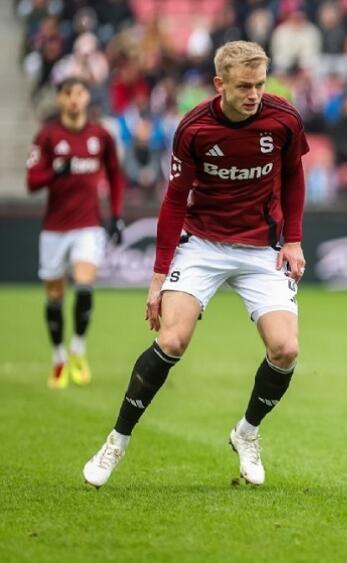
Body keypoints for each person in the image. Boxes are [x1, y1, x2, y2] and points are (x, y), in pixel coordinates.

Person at [81, 41, 309, 488]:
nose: (254, 95)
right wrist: (157, 279)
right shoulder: (195, 128)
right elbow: (173, 201)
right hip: (202, 244)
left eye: (260, 85)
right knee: (172, 339)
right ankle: (116, 441)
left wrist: (295, 239)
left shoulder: (283, 118)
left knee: (286, 349)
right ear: (219, 83)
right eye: (244, 86)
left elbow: (293, 176)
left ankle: (247, 433)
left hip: (261, 248)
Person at [26, 77, 125, 390]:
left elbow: (115, 175)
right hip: (55, 228)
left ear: (86, 98)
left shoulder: (101, 136)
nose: (74, 99)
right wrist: (55, 172)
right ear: (59, 99)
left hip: (88, 225)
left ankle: (78, 350)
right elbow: (32, 182)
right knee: (55, 297)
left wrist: (117, 214)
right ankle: (58, 357)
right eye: (68, 93)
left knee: (84, 287)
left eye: (80, 93)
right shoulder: (47, 136)